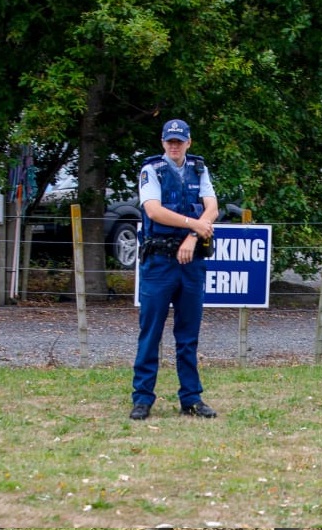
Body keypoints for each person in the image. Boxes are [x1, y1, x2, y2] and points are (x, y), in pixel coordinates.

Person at [130, 118, 220, 421]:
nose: (174, 146)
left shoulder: (198, 168)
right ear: (162, 142)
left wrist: (193, 236)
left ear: (188, 142)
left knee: (188, 335)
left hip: (191, 261)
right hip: (159, 262)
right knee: (150, 332)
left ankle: (191, 400)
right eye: (170, 141)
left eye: (179, 141)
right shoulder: (151, 170)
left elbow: (212, 208)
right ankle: (142, 399)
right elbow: (153, 210)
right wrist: (194, 225)